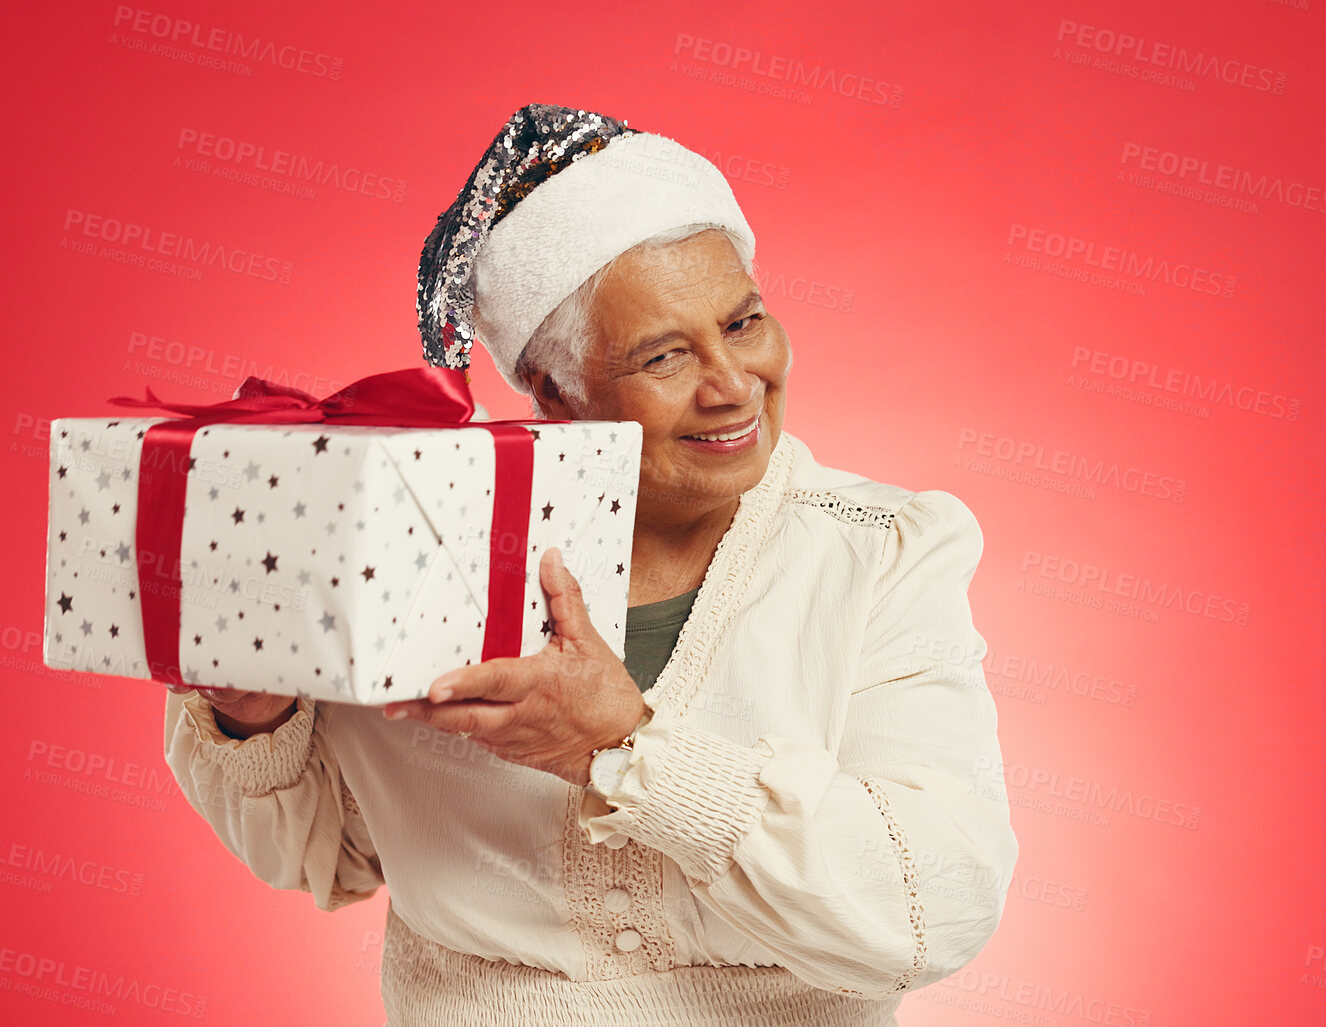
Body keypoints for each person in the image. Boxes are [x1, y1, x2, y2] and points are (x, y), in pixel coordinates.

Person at [163, 103, 1018, 1026]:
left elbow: (931, 906)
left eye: (743, 322)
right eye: (662, 355)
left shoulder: (878, 550)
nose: (732, 383)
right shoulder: (422, 539)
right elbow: (327, 859)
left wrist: (617, 746)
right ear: (555, 390)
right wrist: (252, 714)